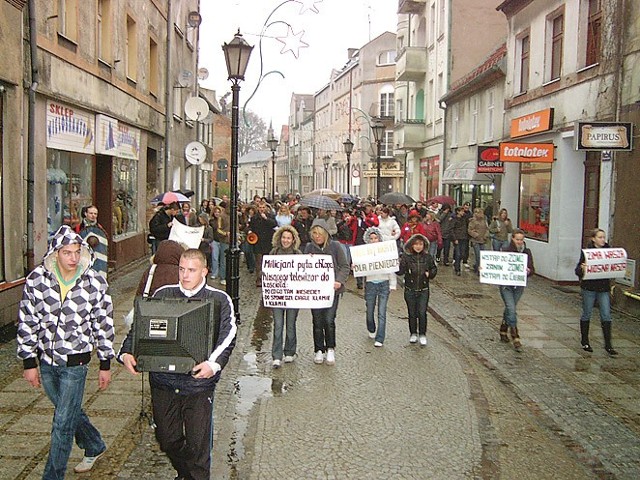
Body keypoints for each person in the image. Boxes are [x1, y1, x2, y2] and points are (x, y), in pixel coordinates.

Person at [119, 249, 237, 480]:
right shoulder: (165, 293)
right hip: (163, 382)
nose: (184, 275)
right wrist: (126, 352)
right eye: (181, 269)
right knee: (167, 439)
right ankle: (187, 473)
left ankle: (195, 475)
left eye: (191, 270)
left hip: (198, 385)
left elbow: (229, 333)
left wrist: (213, 364)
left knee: (198, 445)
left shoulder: (219, 298)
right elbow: (141, 326)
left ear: (204, 271)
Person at [17, 225, 115, 477]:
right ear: (55, 253)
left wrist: (105, 362)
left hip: (76, 362)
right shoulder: (38, 280)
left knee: (62, 423)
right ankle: (94, 444)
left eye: (76, 252)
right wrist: (29, 362)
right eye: (67, 252)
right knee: (69, 412)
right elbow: (28, 321)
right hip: (47, 361)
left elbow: (103, 323)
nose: (73, 258)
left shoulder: (93, 282)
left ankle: (53, 475)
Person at [304, 219, 350, 365]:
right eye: (315, 234)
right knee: (317, 321)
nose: (317, 236)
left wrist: (339, 281)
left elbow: (344, 266)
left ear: (326, 233)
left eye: (320, 233)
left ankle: (330, 348)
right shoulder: (309, 247)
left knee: (329, 320)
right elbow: (303, 269)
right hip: (315, 292)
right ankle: (319, 349)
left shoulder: (335, 246)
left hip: (332, 291)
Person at [575, 229, 618, 355]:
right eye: (600, 237)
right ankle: (585, 341)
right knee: (587, 313)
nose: (603, 239)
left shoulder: (608, 252)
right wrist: (582, 269)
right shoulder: (587, 252)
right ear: (593, 239)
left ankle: (608, 345)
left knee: (606, 314)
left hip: (603, 288)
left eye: (604, 237)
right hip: (589, 287)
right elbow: (577, 270)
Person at [269, 226, 302, 367]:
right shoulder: (274, 253)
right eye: (284, 237)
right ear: (279, 238)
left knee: (290, 325)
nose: (286, 240)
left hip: (293, 297)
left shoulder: (298, 254)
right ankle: (276, 355)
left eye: (288, 238)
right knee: (278, 325)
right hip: (277, 296)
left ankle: (289, 352)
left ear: (293, 239)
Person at [398, 233, 437, 346]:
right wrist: (396, 265)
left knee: (422, 312)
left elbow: (434, 269)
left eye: (420, 244)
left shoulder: (428, 257)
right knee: (412, 313)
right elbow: (400, 271)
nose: (418, 246)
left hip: (423, 289)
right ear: (412, 245)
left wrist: (429, 274)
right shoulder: (406, 257)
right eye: (416, 244)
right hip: (410, 289)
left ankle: (423, 334)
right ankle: (413, 333)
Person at [498, 229, 535, 351]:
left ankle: (503, 329)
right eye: (517, 239)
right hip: (506, 285)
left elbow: (532, 268)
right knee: (512, 309)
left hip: (519, 285)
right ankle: (515, 336)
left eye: (521, 240)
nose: (519, 242)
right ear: (512, 239)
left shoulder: (526, 252)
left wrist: (528, 271)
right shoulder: (505, 250)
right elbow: (497, 266)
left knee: (510, 308)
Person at [362, 227, 395, 346]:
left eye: (375, 238)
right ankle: (371, 328)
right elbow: (361, 267)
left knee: (382, 311)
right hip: (370, 283)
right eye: (371, 238)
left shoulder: (385, 252)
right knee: (369, 310)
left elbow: (391, 267)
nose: (374, 240)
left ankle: (380, 337)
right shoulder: (364, 252)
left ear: (379, 239)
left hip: (384, 282)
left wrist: (392, 283)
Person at [75, 205, 109, 280]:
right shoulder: (78, 228)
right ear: (85, 214)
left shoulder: (100, 229)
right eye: (91, 213)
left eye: (95, 214)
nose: (93, 216)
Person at [248, 202, 277, 287]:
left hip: (268, 242)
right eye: (260, 207)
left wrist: (266, 219)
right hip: (258, 242)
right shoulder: (254, 217)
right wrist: (249, 231)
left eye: (263, 207)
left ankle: (267, 278)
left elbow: (274, 224)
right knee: (259, 262)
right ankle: (259, 279)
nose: (262, 209)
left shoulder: (270, 216)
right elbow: (250, 226)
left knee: (267, 261)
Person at [468, 207, 491, 274]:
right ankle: (478, 268)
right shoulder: (473, 221)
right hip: (476, 241)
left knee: (482, 255)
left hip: (483, 240)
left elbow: (487, 229)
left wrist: (486, 235)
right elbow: (469, 230)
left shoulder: (484, 221)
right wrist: (476, 235)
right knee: (478, 255)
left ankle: (478, 266)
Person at [451, 206, 468, 276]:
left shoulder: (464, 219)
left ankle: (456, 263)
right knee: (458, 254)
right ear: (458, 212)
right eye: (461, 211)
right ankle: (457, 269)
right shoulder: (454, 220)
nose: (463, 212)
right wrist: (454, 239)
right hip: (457, 238)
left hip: (464, 238)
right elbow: (452, 230)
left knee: (463, 254)